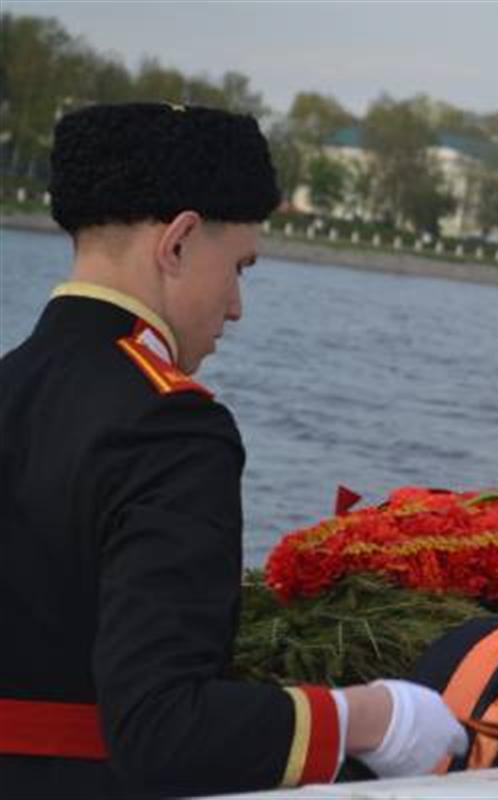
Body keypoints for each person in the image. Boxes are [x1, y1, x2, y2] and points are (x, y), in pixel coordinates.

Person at [0, 103, 466, 798]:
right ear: (179, 242)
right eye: (240, 266)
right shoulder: (169, 429)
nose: (237, 305)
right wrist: (370, 717)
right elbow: (163, 731)